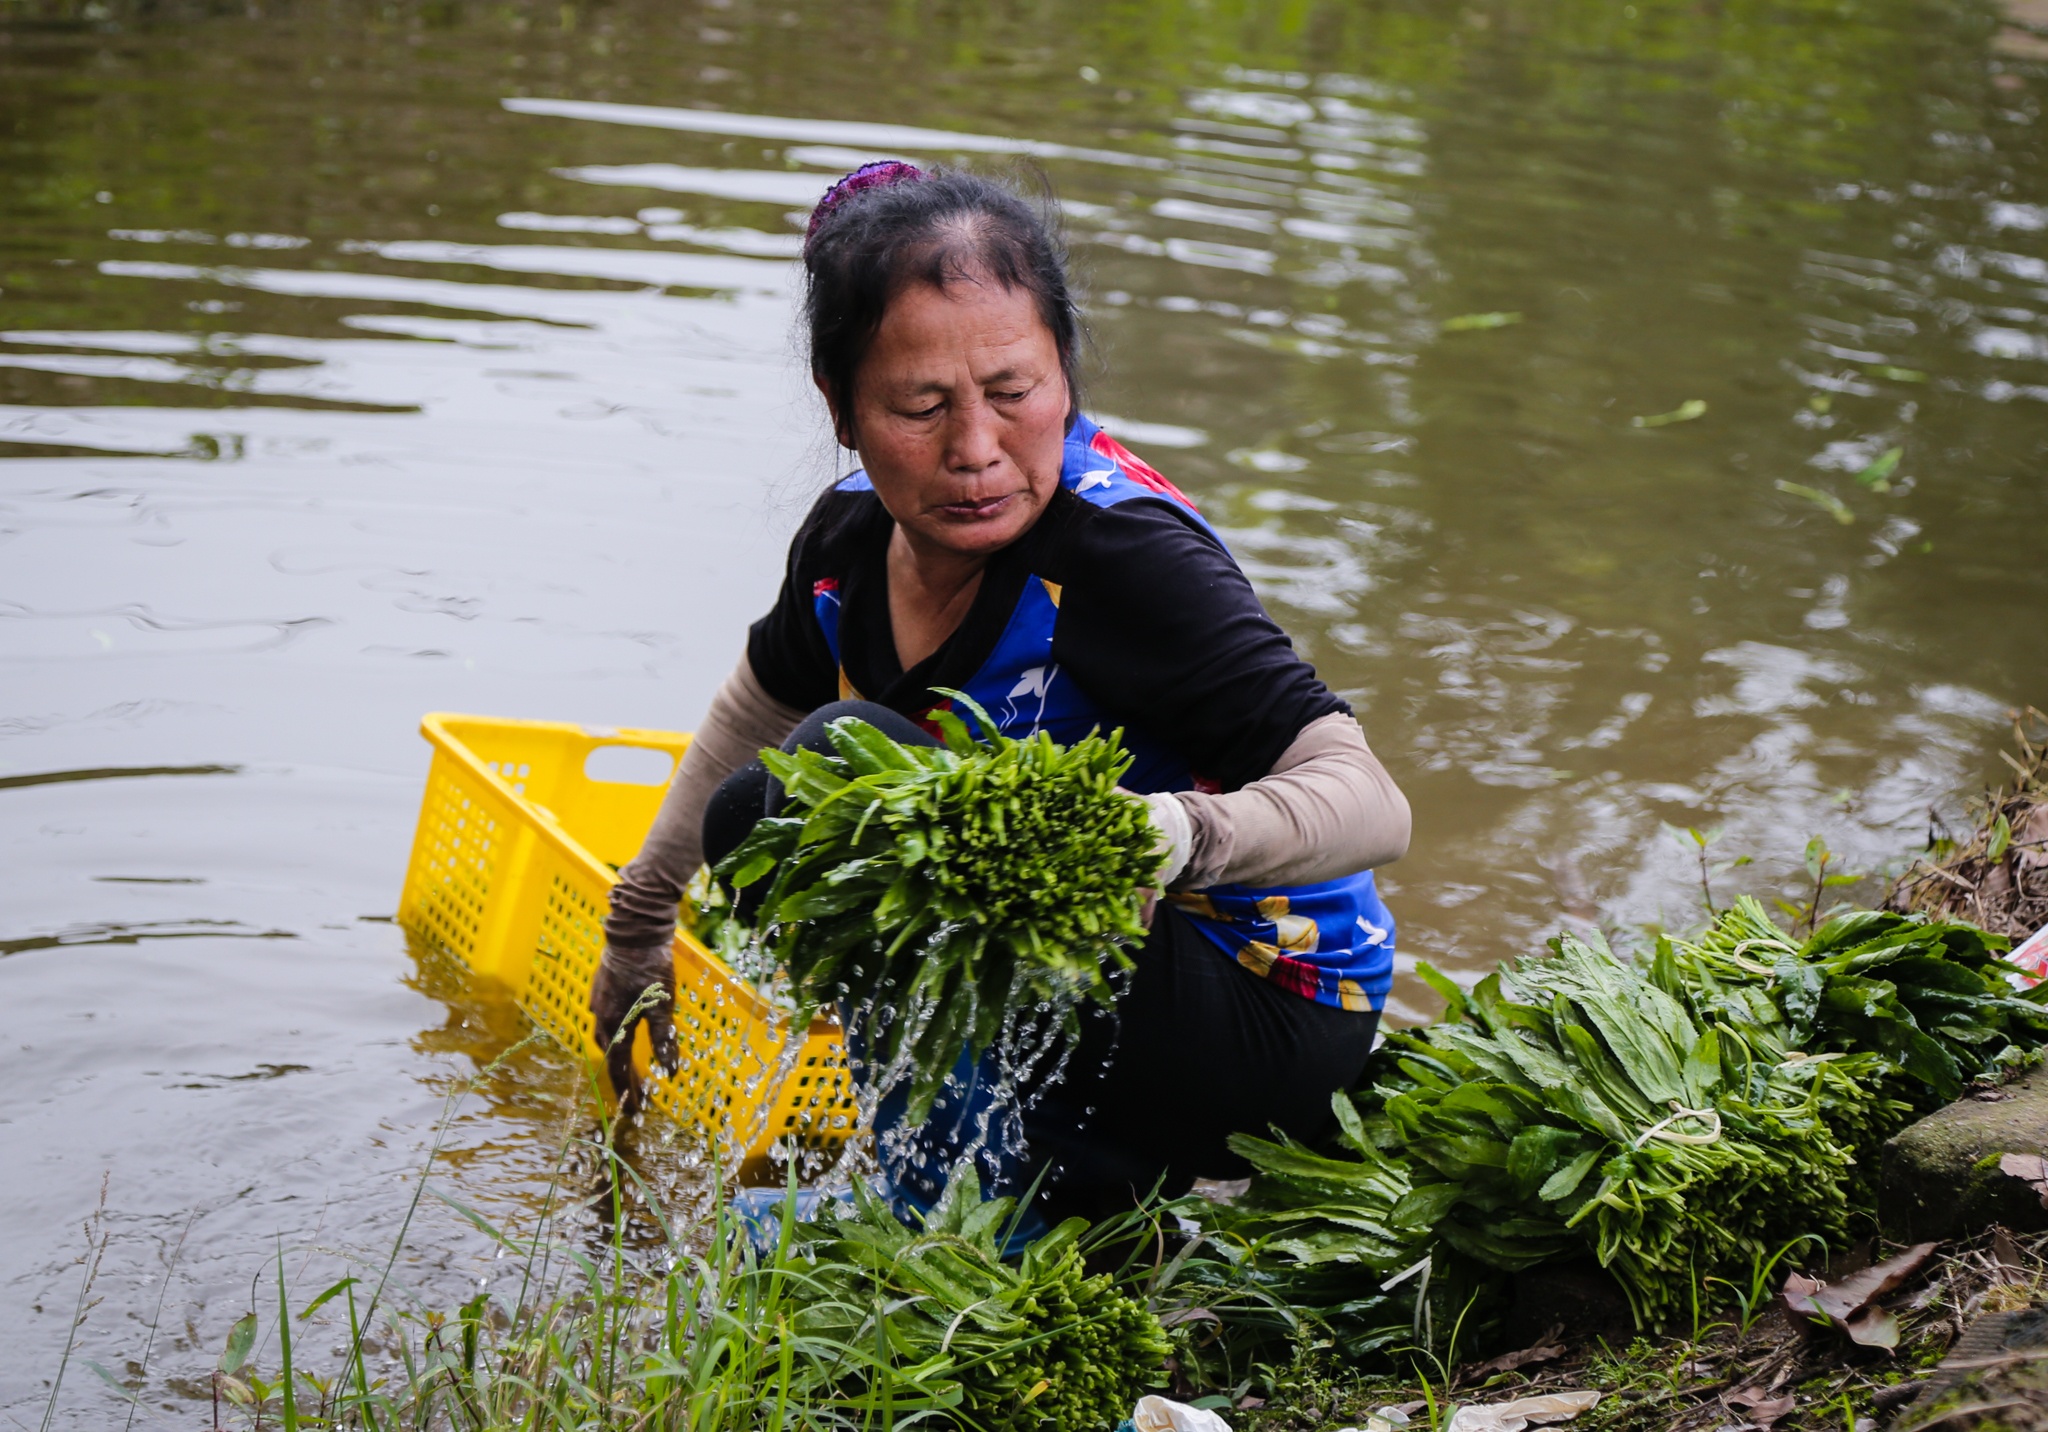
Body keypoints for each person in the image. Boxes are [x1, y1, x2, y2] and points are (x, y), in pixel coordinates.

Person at [591, 161, 1411, 1224]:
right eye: (919, 406)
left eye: (1013, 394)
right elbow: (760, 699)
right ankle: (1008, 1182)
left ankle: (1000, 1210)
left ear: (1064, 375)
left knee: (841, 767)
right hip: (1094, 984)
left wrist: (1157, 835)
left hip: (1263, 1011)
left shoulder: (1120, 556)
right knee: (764, 810)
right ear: (840, 408)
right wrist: (639, 925)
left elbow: (1368, 800)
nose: (974, 451)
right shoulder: (846, 537)